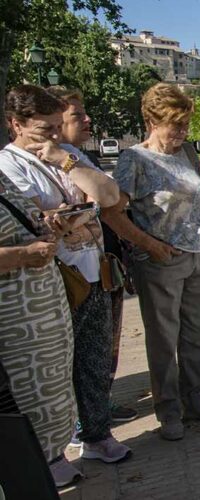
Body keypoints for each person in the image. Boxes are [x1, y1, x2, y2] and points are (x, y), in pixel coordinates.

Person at [0, 85, 131, 463]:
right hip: (49, 284)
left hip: (93, 272)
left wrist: (65, 161)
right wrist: (69, 211)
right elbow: (34, 219)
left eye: (59, 126)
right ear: (16, 124)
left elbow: (109, 197)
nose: (55, 136)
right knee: (54, 370)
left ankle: (97, 435)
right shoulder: (8, 165)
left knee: (94, 358)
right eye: (46, 130)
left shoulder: (67, 154)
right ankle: (54, 450)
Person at [104, 83, 200, 440]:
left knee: (196, 334)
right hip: (161, 261)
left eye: (185, 123)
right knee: (163, 340)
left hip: (199, 256)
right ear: (150, 120)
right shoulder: (134, 160)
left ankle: (194, 399)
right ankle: (168, 410)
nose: (182, 131)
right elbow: (113, 212)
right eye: (175, 124)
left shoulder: (187, 151)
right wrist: (149, 245)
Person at [47, 86, 138, 424]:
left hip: (101, 265)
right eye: (76, 115)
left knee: (101, 349)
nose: (87, 119)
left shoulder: (78, 156)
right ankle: (77, 421)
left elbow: (111, 198)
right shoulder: (28, 163)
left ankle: (97, 411)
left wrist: (69, 162)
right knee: (70, 353)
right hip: (64, 275)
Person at [0, 169, 80, 485]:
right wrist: (24, 254)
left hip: (39, 318)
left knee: (46, 393)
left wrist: (48, 227)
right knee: (16, 410)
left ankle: (45, 464)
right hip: (12, 327)